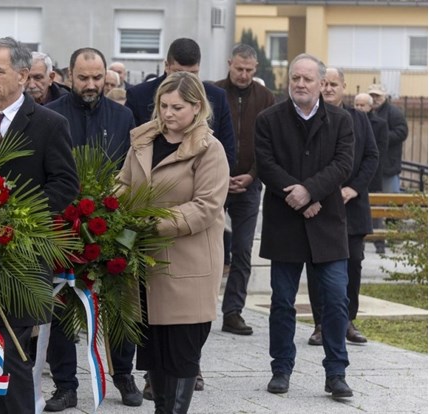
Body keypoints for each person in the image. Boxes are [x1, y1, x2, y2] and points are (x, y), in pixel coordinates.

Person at [0, 37, 79, 414]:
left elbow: (64, 184)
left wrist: (19, 219)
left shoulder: (48, 124)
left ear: (23, 75)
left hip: (22, 260)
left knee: (12, 349)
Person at [127, 36, 235, 393]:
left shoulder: (209, 149)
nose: (168, 114)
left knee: (182, 360)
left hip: (187, 269)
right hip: (147, 268)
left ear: (196, 108)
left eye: (177, 107)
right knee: (155, 361)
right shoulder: (142, 140)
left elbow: (206, 207)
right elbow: (124, 184)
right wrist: (109, 210)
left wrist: (151, 223)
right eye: (163, 106)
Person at [42, 47, 138, 411]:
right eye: (83, 78)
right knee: (62, 305)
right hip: (64, 226)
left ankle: (124, 375)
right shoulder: (51, 116)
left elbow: (132, 169)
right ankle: (65, 385)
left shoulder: (124, 115)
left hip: (112, 224)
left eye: (98, 77)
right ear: (69, 76)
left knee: (118, 302)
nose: (92, 84)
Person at [255, 54, 355, 399]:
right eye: (295, 78)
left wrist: (310, 192)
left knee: (335, 300)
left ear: (320, 83)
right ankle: (281, 368)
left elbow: (343, 163)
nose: (300, 84)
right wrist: (295, 194)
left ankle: (336, 373)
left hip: (326, 224)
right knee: (282, 301)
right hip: (285, 223)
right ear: (289, 81)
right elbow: (265, 164)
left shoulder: (341, 120)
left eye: (307, 79)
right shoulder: (268, 119)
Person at [305, 68, 379, 347]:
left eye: (333, 84)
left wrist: (354, 188)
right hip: (319, 204)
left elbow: (372, 157)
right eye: (323, 83)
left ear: (343, 87)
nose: (328, 89)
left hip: (352, 205)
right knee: (317, 265)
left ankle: (347, 320)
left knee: (353, 264)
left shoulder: (359, 119)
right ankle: (321, 323)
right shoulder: (310, 117)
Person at [214, 44, 276, 336]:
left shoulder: (266, 98)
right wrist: (220, 176)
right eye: (239, 68)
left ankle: (233, 311)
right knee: (209, 250)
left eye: (250, 70)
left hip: (250, 185)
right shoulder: (213, 92)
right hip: (213, 183)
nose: (244, 74)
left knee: (242, 249)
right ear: (229, 63)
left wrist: (252, 176)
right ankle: (202, 309)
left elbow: (270, 145)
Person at [125, 38, 235, 169]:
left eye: (193, 73)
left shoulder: (216, 97)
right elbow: (128, 147)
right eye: (178, 72)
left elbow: (227, 152)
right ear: (166, 66)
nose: (186, 79)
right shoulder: (139, 95)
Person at [368, 84, 408, 195]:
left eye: (377, 96)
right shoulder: (368, 112)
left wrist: (381, 137)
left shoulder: (394, 112)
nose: (374, 99)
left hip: (388, 165)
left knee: (390, 202)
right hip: (372, 166)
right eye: (372, 96)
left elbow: (402, 132)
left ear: (384, 96)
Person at [354, 93, 390, 194]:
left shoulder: (380, 124)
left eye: (362, 105)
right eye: (356, 105)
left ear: (370, 107)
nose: (359, 108)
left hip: (372, 171)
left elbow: (381, 150)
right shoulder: (348, 120)